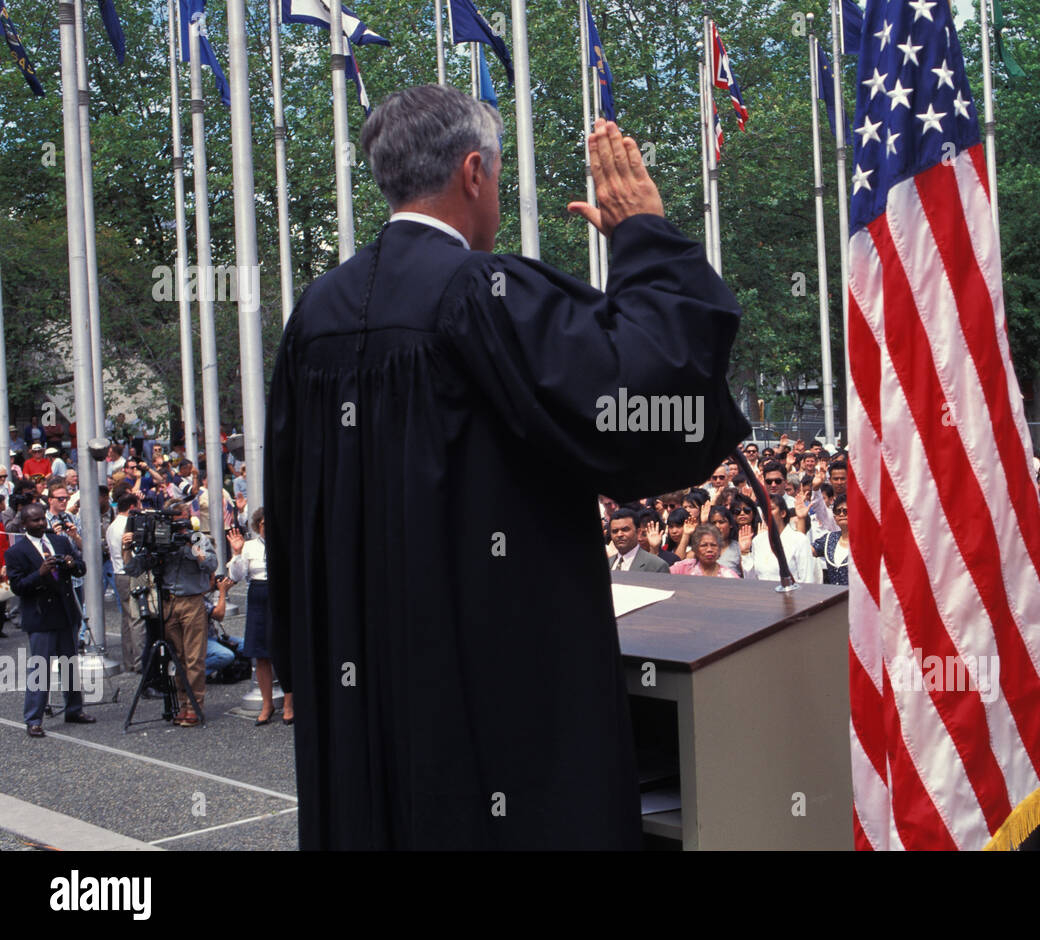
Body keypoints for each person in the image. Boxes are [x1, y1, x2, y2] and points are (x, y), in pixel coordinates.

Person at [265, 88, 748, 849]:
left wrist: (313, 668)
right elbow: (652, 395)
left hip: (358, 687)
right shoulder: (481, 293)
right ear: (473, 172)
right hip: (490, 680)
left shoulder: (316, 313)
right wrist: (646, 241)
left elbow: (290, 511)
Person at [122, 501, 218, 726]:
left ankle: (195, 706)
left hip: (192, 602)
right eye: (172, 522)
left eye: (180, 521)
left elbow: (211, 564)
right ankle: (183, 704)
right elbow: (134, 568)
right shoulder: (159, 539)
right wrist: (127, 547)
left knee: (194, 658)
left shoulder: (196, 539)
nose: (176, 527)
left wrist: (189, 542)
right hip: (168, 603)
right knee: (178, 658)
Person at [4, 503, 95, 737]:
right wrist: (40, 573)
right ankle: (34, 718)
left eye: (42, 519)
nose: (41, 524)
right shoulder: (16, 552)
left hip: (65, 614)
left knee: (69, 665)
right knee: (40, 669)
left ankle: (74, 709)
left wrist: (72, 564)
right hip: (40, 617)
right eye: (35, 521)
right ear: (24, 524)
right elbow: (18, 587)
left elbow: (81, 568)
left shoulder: (61, 541)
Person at [227, 509, 293, 726]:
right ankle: (267, 704)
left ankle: (288, 703)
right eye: (263, 524)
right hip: (258, 596)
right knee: (260, 654)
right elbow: (236, 576)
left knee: (284, 651)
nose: (267, 527)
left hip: (281, 595)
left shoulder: (286, 542)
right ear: (257, 525)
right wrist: (236, 554)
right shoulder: (250, 547)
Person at [107, 488, 146, 674]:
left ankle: (129, 660)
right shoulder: (128, 526)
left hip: (117, 573)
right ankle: (140, 662)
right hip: (130, 572)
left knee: (126, 618)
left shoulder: (112, 525)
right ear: (132, 507)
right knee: (137, 619)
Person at [739, 495, 816, 584]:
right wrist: (745, 553)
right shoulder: (758, 540)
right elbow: (751, 579)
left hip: (791, 595)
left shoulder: (800, 540)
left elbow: (807, 580)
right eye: (764, 509)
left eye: (771, 509)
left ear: (782, 513)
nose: (766, 513)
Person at [608, 508, 670, 573]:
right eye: (615, 531)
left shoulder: (657, 566)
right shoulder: (606, 564)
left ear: (638, 532)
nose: (619, 534)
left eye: (625, 529)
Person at [669, 524, 740, 578]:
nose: (709, 549)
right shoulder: (684, 568)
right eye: (704, 545)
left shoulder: (728, 575)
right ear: (696, 549)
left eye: (713, 545)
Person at [811, 494, 851, 586]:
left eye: (846, 511)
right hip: (833, 597)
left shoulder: (866, 542)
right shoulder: (829, 538)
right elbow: (804, 551)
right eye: (838, 511)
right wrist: (801, 519)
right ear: (834, 517)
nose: (841, 514)